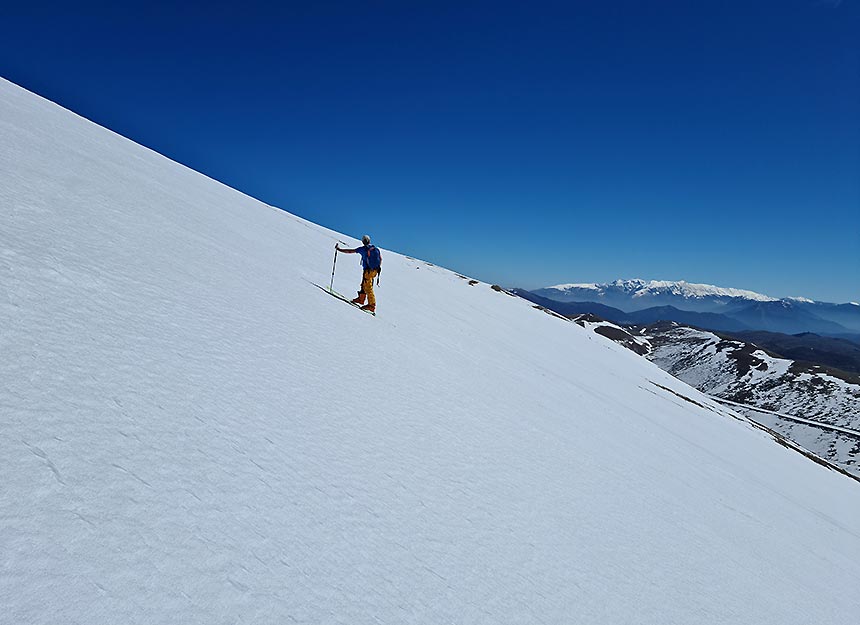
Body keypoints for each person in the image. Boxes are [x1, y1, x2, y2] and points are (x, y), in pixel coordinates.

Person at [336, 235, 382, 313]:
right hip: (375, 270)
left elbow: (350, 251)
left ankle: (371, 305)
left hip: (368, 271)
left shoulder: (363, 249)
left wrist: (339, 249)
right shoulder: (375, 249)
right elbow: (380, 259)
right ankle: (361, 299)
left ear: (363, 241)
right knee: (364, 284)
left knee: (368, 287)